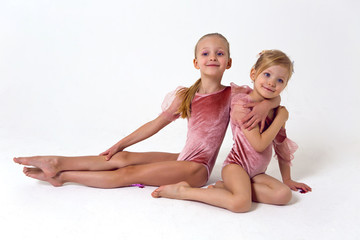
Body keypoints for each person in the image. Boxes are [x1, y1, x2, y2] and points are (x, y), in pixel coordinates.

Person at [13, 33, 277, 189]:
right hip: (183, 157)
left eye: (220, 54)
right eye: (206, 53)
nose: (212, 57)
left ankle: (62, 176)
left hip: (198, 169)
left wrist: (268, 104)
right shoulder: (186, 95)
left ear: (228, 62)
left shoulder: (234, 93)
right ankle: (58, 162)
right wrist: (120, 144)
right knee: (122, 158)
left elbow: (271, 95)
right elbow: (155, 124)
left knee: (128, 174)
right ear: (196, 62)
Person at [152, 50, 312, 212]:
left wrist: (287, 179)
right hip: (236, 167)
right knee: (241, 204)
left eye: (280, 80)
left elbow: (281, 144)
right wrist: (281, 118)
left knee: (284, 195)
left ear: (284, 86)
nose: (271, 83)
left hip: (257, 173)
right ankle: (185, 191)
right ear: (253, 73)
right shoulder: (242, 105)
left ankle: (227, 188)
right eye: (267, 75)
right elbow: (259, 144)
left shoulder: (276, 109)